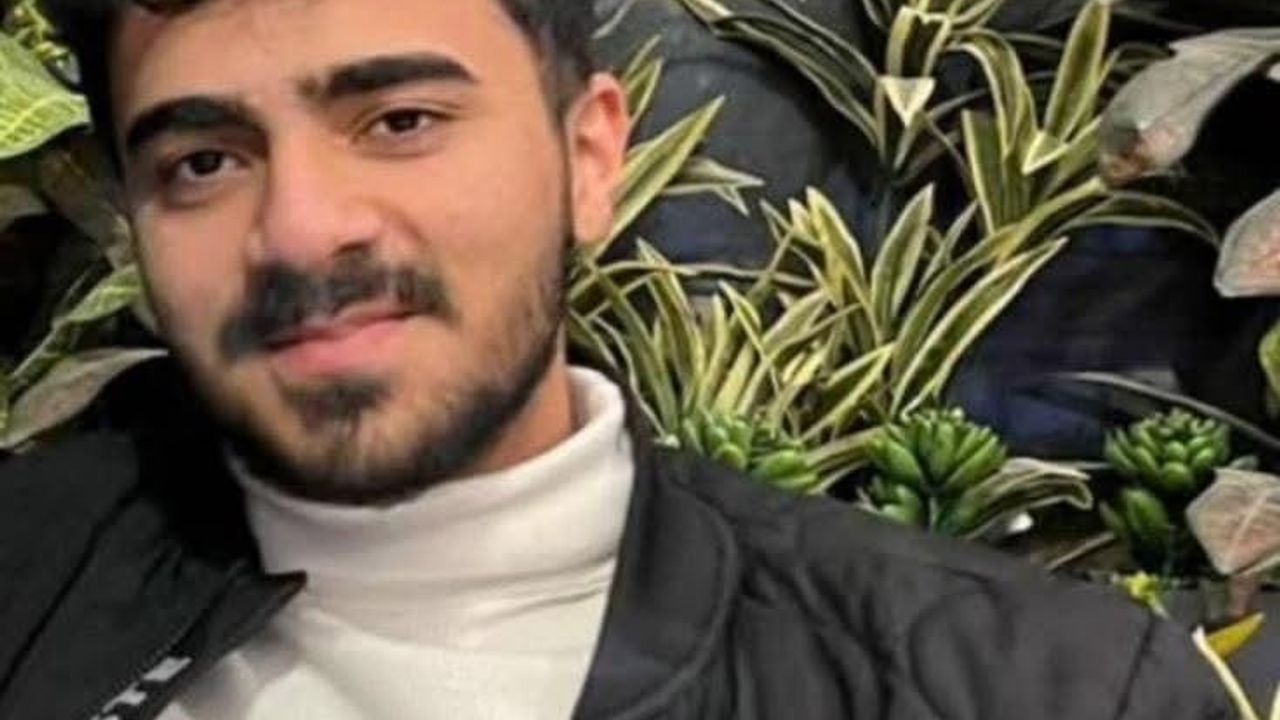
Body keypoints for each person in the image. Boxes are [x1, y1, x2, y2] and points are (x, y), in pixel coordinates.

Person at [0, 1, 1233, 718]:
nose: (302, 230)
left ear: (589, 159)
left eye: (401, 120)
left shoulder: (1033, 691)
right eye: (203, 162)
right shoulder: (29, 579)